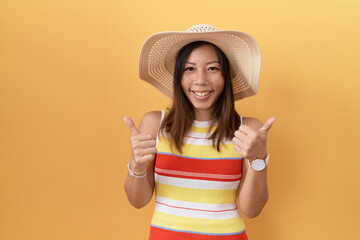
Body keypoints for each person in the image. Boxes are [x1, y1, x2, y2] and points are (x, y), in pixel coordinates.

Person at [124, 24, 275, 240]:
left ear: (225, 76)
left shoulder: (247, 129)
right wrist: (136, 163)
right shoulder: (154, 124)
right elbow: (137, 201)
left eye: (213, 68)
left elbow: (252, 210)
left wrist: (259, 159)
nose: (201, 80)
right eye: (189, 69)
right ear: (179, 76)